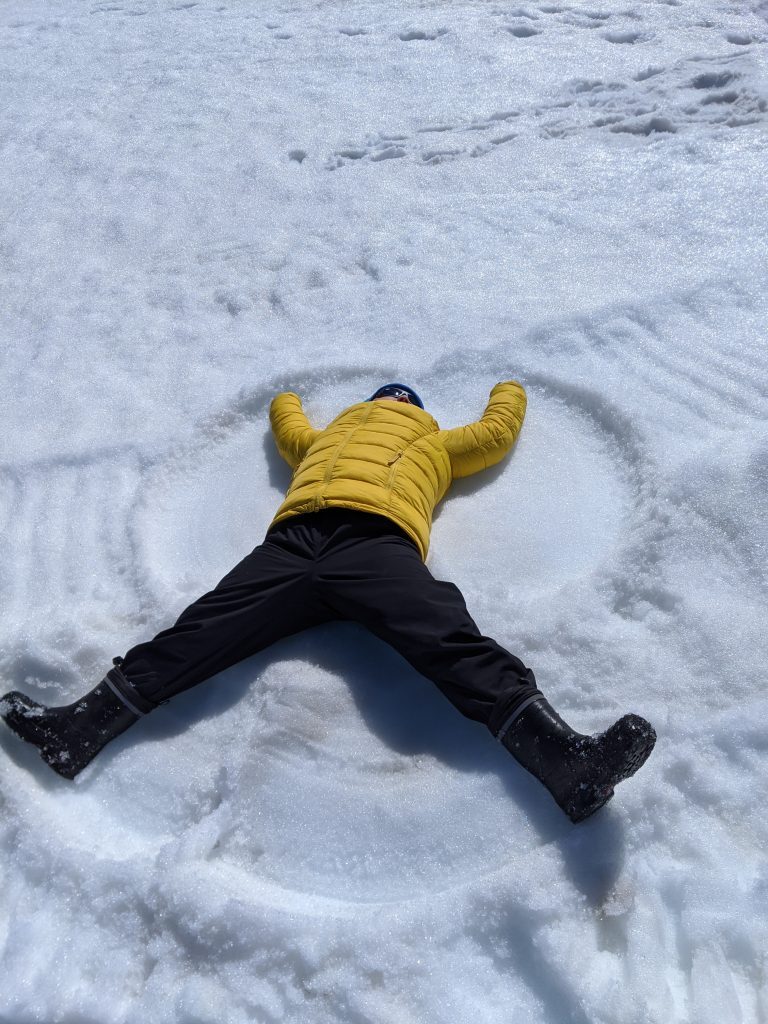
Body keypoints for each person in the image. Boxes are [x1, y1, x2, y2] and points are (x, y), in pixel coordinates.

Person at [1, 381, 655, 823]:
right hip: (296, 542)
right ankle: (76, 730)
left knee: (446, 633)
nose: (395, 400)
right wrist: (285, 399)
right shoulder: (326, 440)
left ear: (418, 411)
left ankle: (567, 764)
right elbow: (290, 433)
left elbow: (493, 434)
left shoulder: (436, 441)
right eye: (387, 395)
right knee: (200, 629)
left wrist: (508, 392)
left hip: (378, 541)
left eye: (404, 398)